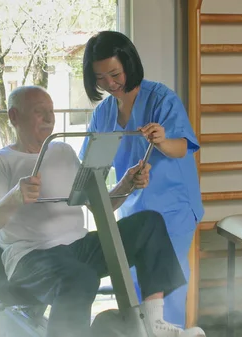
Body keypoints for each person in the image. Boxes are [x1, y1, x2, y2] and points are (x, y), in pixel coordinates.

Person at [0, 85, 206, 337]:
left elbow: (100, 205)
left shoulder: (63, 151)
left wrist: (127, 184)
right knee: (81, 277)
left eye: (51, 111)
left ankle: (153, 324)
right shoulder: (0, 160)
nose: (50, 118)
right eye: (39, 112)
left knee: (149, 223)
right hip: (31, 256)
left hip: (79, 247)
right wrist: (15, 196)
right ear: (14, 116)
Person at [79, 31, 205, 329]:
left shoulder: (161, 99)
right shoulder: (103, 114)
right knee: (134, 287)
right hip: (134, 207)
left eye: (115, 73)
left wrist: (162, 140)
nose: (109, 84)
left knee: (166, 283)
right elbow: (91, 166)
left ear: (129, 64)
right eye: (100, 77)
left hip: (173, 206)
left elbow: (183, 147)